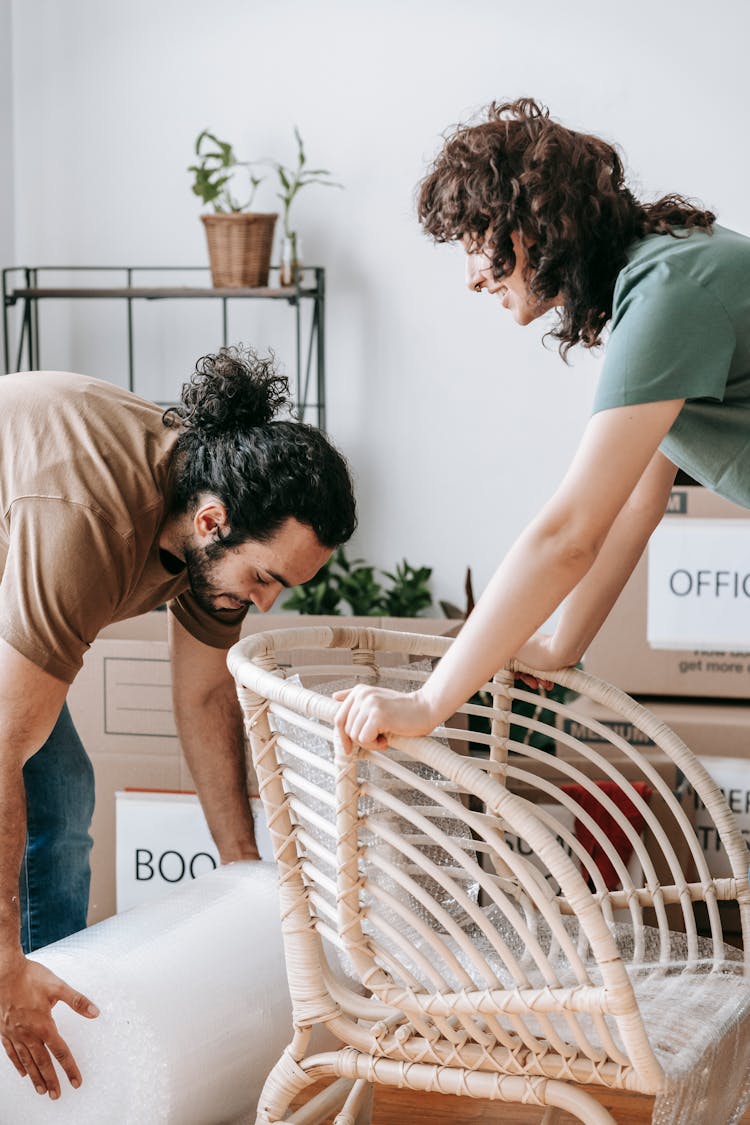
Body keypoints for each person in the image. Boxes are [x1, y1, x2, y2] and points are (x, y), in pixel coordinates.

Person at [335, 97, 750, 752]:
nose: (473, 276)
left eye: (477, 242)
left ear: (533, 225)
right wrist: (560, 645)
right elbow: (634, 507)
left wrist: (428, 700)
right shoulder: (656, 280)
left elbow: (568, 535)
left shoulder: (668, 295)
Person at [0, 346, 356, 1098]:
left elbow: (202, 697)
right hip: (32, 530)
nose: (264, 602)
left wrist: (240, 868)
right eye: (265, 578)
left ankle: (53, 1041)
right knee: (46, 786)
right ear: (212, 521)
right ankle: (24, 1023)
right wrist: (4, 965)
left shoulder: (210, 527)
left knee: (59, 786)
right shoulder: (89, 522)